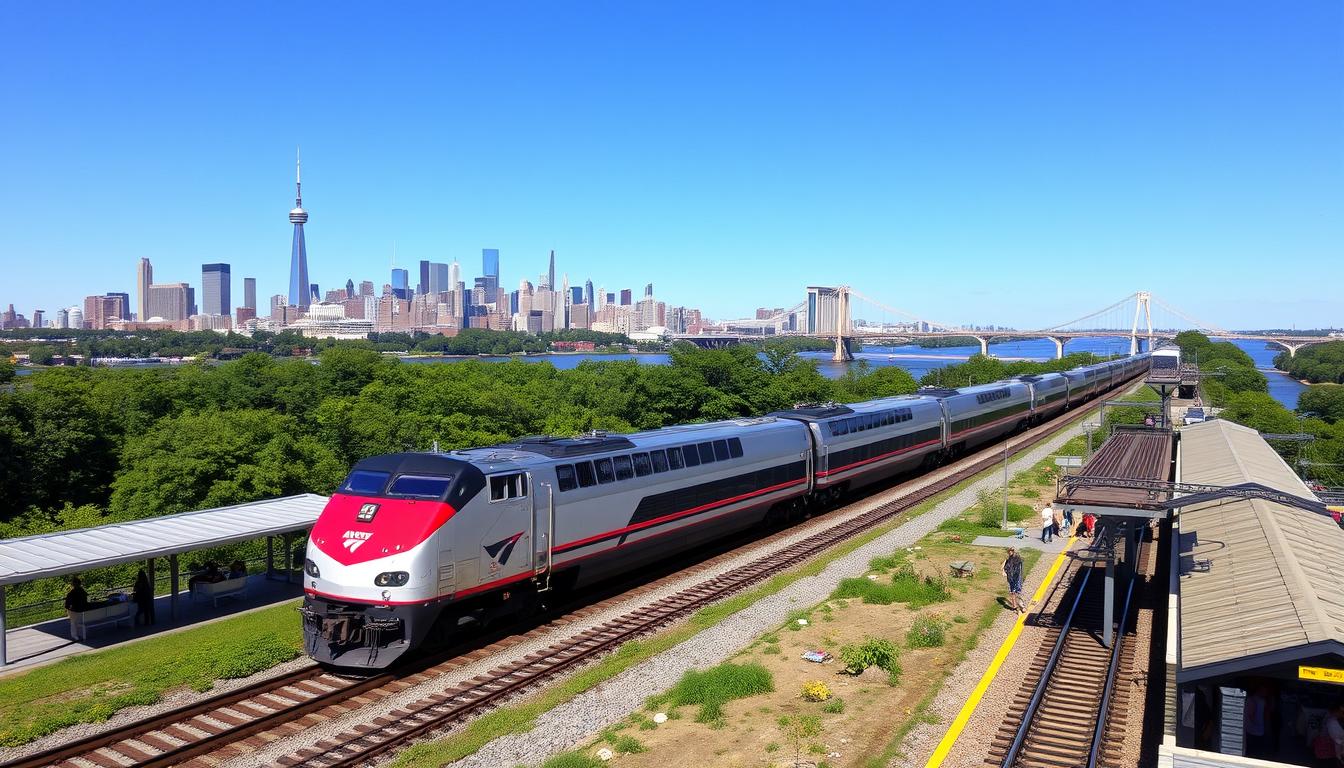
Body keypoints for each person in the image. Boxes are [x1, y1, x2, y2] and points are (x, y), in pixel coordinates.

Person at [1002, 548, 1026, 613]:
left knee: (1017, 592)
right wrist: (1004, 570)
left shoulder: (1017, 559)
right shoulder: (1009, 560)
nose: (1009, 553)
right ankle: (1015, 606)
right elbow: (1005, 567)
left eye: (1010, 551)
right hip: (1011, 578)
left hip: (1016, 578)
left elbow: (1018, 570)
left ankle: (1022, 606)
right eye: (1008, 552)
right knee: (1012, 592)